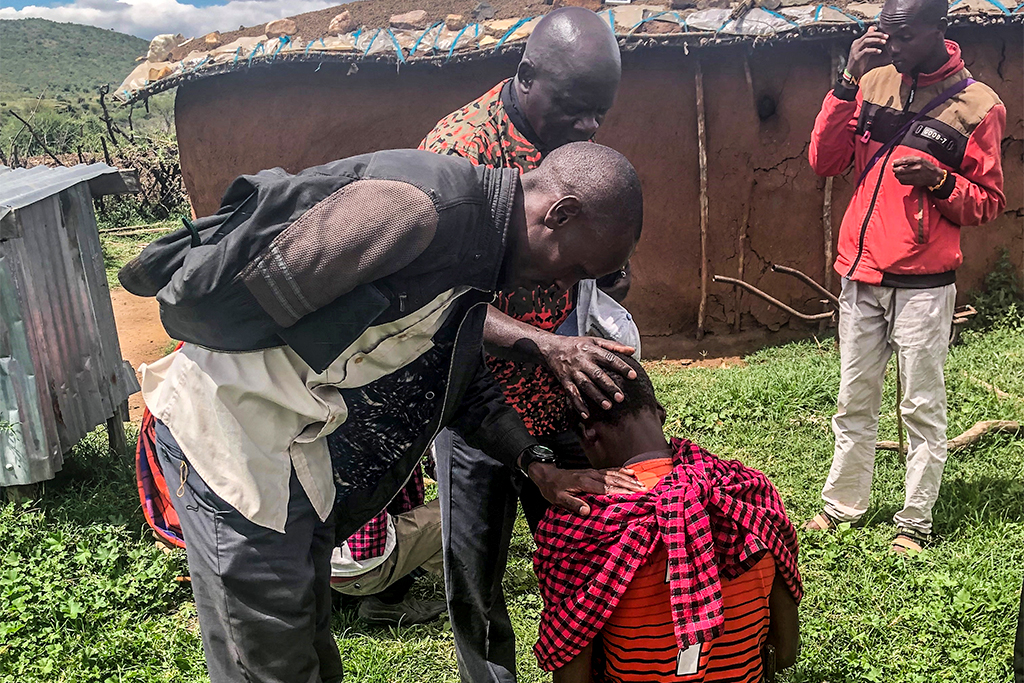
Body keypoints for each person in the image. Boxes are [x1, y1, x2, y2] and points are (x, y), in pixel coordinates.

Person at [119, 142, 645, 683]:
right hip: (230, 444)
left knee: (307, 645)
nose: (563, 288)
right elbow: (214, 309)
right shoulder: (418, 210)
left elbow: (461, 380)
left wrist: (538, 465)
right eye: (575, 269)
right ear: (560, 214)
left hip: (298, 456)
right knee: (267, 658)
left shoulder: (478, 258)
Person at [420, 8, 635, 680]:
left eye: (600, 112)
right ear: (526, 76)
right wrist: (546, 345)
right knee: (477, 577)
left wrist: (603, 271)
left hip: (561, 394)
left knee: (589, 552)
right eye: (576, 107)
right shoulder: (460, 153)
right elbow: (441, 303)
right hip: (476, 400)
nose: (589, 125)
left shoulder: (567, 135)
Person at [806, 0, 1005, 553]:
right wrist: (846, 81)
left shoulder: (979, 106)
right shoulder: (872, 84)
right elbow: (825, 160)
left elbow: (988, 202)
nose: (892, 48)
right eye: (885, 36)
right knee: (853, 399)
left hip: (924, 284)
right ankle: (842, 505)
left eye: (904, 37)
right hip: (860, 273)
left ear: (938, 29)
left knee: (920, 406)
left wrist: (938, 180)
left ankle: (915, 521)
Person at [533, 355, 802, 682]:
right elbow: (785, 652)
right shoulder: (747, 495)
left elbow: (573, 677)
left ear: (587, 434)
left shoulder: (579, 527)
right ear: (660, 413)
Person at [329, 461, 446, 627]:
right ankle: (388, 599)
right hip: (363, 566)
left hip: (319, 565)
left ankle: (337, 596)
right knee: (463, 508)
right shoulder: (388, 448)